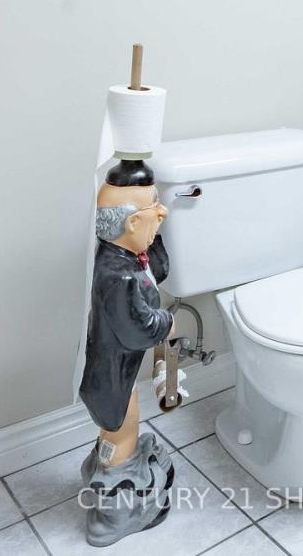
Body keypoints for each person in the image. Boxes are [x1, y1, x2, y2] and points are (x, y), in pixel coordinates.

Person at [77, 157, 176, 547]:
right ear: (133, 223)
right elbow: (138, 330)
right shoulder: (115, 276)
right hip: (111, 381)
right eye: (155, 205)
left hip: (119, 373)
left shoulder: (124, 254)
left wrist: (157, 230)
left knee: (122, 431)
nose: (163, 210)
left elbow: (157, 271)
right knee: (120, 433)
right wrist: (168, 323)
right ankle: (112, 510)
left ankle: (114, 468)